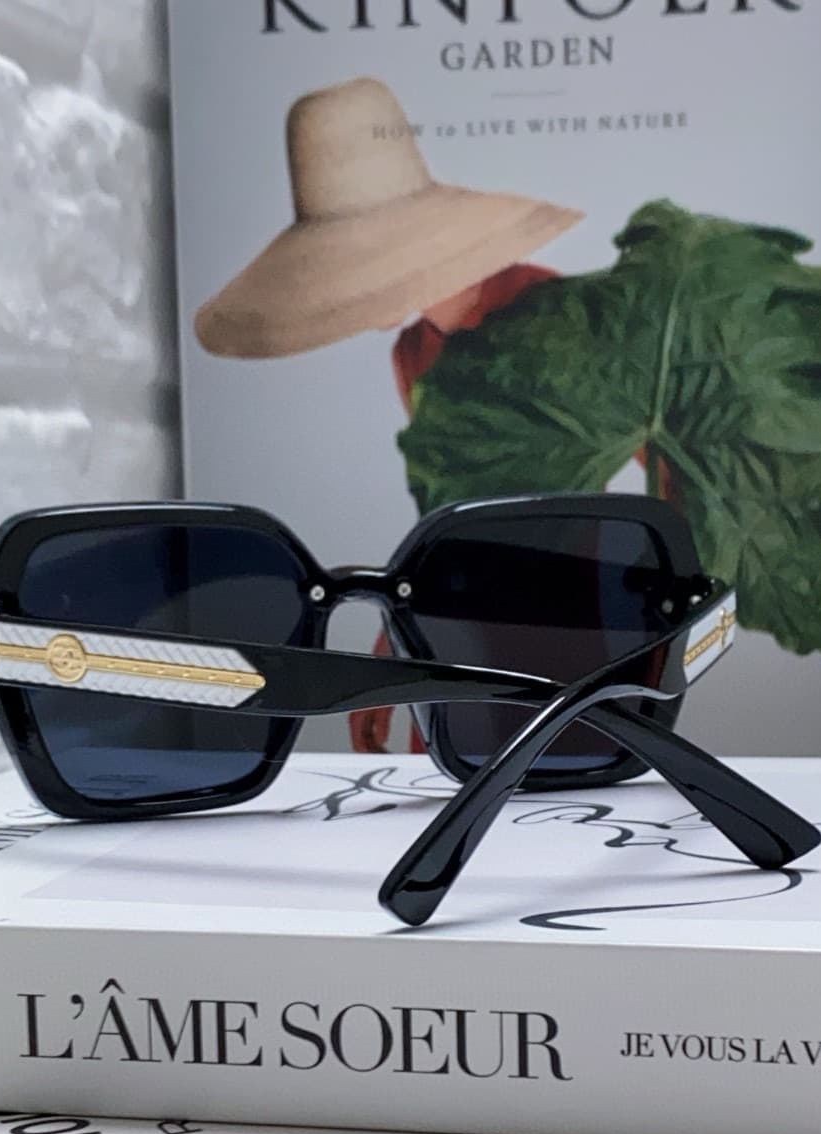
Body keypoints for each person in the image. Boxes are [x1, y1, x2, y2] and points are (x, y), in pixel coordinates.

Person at [195, 75, 583, 752]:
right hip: (460, 632)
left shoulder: (555, 312)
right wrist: (395, 641)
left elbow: (654, 476)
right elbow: (449, 509)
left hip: (572, 624)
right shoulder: (414, 352)